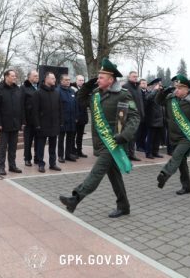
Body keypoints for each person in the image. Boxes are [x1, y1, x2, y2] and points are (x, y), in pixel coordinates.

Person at [59, 58, 140, 218]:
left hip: (114, 142)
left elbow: (134, 117)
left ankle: (75, 198)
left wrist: (124, 136)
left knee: (97, 172)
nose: (98, 79)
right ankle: (124, 206)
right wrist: (88, 85)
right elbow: (81, 101)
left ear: (111, 80)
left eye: (102, 77)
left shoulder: (123, 94)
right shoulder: (95, 94)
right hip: (100, 141)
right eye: (99, 76)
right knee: (114, 176)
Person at [156, 75, 190, 195]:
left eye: (180, 88)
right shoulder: (170, 98)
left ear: (187, 89)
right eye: (175, 87)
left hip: (187, 137)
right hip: (173, 136)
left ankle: (164, 174)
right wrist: (162, 92)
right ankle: (186, 186)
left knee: (177, 156)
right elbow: (158, 101)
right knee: (182, 163)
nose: (176, 90)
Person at [0, 69, 23, 176]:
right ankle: (1, 167)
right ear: (6, 77)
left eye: (15, 76)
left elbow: (20, 107)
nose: (15, 78)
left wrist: (21, 122)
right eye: (13, 76)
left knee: (13, 146)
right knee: (3, 147)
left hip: (15, 123)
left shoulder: (17, 89)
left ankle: (12, 166)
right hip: (4, 124)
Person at [33, 72, 63, 173]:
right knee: (41, 145)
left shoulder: (56, 92)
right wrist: (37, 124)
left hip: (54, 124)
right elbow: (35, 110)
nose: (55, 80)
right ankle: (41, 164)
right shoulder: (38, 92)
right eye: (53, 78)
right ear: (46, 79)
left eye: (55, 78)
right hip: (42, 124)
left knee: (53, 145)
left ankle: (53, 163)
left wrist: (60, 122)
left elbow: (60, 108)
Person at [123, 71, 145, 161]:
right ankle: (126, 154)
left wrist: (142, 114)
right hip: (129, 115)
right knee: (129, 135)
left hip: (138, 115)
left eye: (136, 76)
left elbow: (140, 102)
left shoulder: (138, 88)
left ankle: (132, 154)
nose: (135, 78)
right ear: (129, 77)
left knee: (134, 136)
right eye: (133, 76)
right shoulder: (125, 87)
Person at [57, 74, 79, 163]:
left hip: (72, 119)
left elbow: (75, 104)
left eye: (69, 80)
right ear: (61, 81)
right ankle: (60, 156)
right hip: (62, 120)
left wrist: (77, 116)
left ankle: (68, 154)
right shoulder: (57, 91)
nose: (68, 81)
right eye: (66, 80)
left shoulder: (72, 91)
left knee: (70, 138)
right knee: (61, 139)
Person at [21, 70, 39, 166]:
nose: (37, 77)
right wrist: (23, 120)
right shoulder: (24, 88)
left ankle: (37, 157)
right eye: (35, 76)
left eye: (37, 76)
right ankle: (27, 158)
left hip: (39, 120)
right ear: (29, 77)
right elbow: (21, 105)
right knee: (28, 141)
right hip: (29, 120)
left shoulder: (40, 87)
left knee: (38, 140)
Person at [144, 78, 165, 158]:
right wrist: (155, 90)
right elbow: (147, 99)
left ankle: (155, 152)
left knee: (157, 138)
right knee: (150, 138)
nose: (160, 86)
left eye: (160, 84)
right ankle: (148, 153)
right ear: (154, 85)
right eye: (159, 84)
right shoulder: (149, 93)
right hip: (152, 119)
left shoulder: (160, 93)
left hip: (160, 119)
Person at [72, 75, 89, 157]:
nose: (81, 82)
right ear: (76, 80)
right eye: (80, 80)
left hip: (83, 116)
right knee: (73, 135)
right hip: (75, 116)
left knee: (80, 135)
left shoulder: (86, 90)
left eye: (83, 80)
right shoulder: (72, 89)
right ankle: (72, 151)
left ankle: (79, 151)